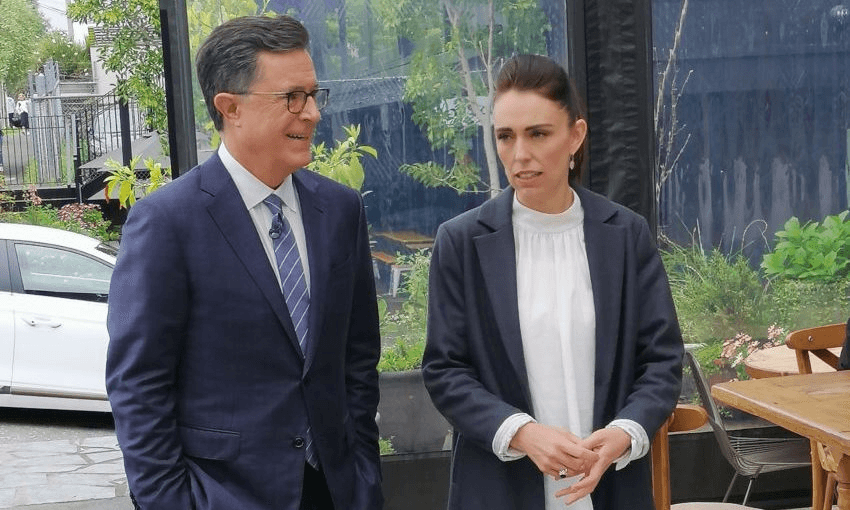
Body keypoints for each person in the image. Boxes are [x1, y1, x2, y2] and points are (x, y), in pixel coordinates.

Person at [106, 15, 383, 510]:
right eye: (292, 98)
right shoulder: (166, 222)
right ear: (230, 108)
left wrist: (363, 473)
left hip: (338, 490)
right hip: (223, 495)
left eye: (315, 95)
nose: (313, 113)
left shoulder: (341, 210)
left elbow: (356, 358)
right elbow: (139, 387)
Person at [422, 54, 684, 510]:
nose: (520, 154)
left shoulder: (626, 235)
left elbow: (661, 361)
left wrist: (624, 433)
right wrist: (523, 433)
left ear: (575, 136)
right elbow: (445, 371)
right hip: (499, 491)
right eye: (505, 136)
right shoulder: (460, 242)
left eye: (538, 134)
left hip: (612, 490)